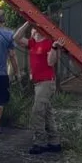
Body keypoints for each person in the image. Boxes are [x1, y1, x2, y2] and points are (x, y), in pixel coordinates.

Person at [13, 22, 64, 154]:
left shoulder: (50, 42)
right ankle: (54, 142)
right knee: (47, 112)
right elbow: (16, 38)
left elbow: (51, 62)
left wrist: (54, 47)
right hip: (38, 83)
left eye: (35, 28)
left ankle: (39, 143)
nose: (34, 31)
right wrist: (27, 23)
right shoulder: (33, 43)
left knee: (37, 112)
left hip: (46, 82)